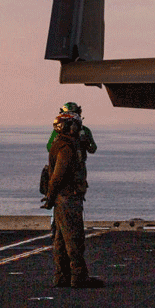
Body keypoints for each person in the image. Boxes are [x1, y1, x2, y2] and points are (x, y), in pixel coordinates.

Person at [41, 112, 103, 288]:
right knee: (74, 238)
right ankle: (78, 276)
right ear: (68, 127)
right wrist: (50, 196)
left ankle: (62, 276)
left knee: (60, 239)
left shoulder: (60, 144)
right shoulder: (66, 148)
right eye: (75, 125)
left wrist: (51, 197)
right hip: (68, 198)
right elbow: (58, 175)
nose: (78, 129)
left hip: (62, 198)